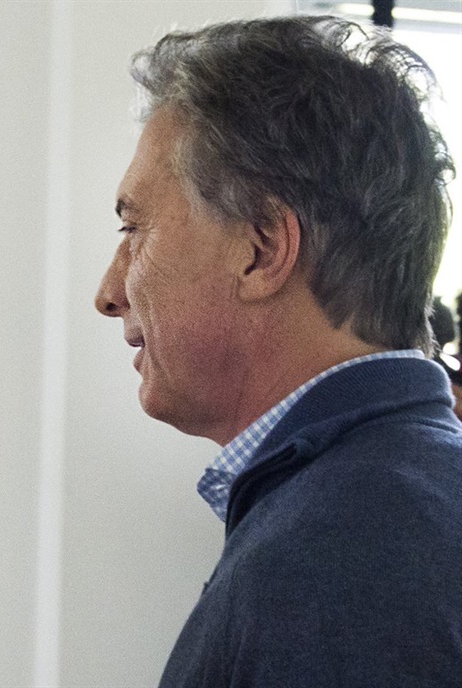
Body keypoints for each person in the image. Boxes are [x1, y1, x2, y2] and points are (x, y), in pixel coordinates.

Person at [95, 16, 462, 686]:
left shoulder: (344, 551)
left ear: (261, 249)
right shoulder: (393, 500)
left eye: (134, 230)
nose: (108, 293)